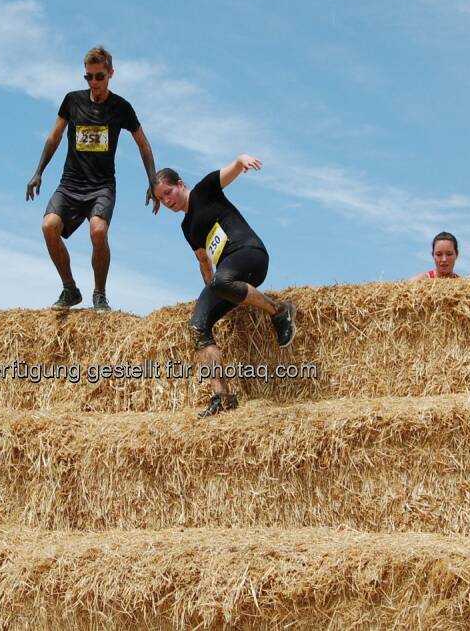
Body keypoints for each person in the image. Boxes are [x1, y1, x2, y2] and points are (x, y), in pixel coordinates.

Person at [152, 154, 296, 418]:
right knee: (198, 325)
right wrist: (211, 292)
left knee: (221, 280)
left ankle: (279, 311)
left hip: (250, 254)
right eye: (161, 199)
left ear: (180, 184)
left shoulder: (204, 190)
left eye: (168, 192)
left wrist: (241, 161)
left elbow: (231, 171)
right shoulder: (187, 227)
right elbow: (204, 262)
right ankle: (224, 396)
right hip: (226, 275)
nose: (167, 201)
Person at [26, 45, 157, 311]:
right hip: (71, 183)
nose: (94, 82)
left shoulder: (122, 108)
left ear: (111, 74)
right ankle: (70, 289)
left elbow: (143, 144)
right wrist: (38, 171)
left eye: (99, 76)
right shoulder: (72, 101)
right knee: (48, 226)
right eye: (89, 77)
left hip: (102, 186)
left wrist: (152, 181)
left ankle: (100, 294)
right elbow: (54, 137)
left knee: (98, 231)